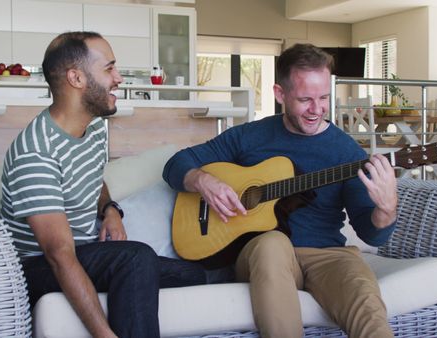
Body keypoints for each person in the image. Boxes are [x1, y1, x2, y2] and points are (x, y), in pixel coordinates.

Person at [162, 43, 397, 338]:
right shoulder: (250, 136)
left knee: (365, 299)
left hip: (328, 255)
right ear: (279, 94)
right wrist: (202, 180)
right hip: (263, 252)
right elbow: (175, 164)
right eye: (305, 99)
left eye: (324, 97)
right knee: (273, 243)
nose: (317, 109)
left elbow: (371, 233)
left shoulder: (347, 152)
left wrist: (386, 210)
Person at [1, 31, 206, 338]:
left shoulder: (94, 128)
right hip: (34, 268)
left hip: (85, 252)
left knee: (196, 273)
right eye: (109, 68)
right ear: (76, 78)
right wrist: (104, 334)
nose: (119, 78)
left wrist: (110, 209)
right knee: (135, 258)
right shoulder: (36, 152)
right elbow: (59, 256)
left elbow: (95, 180)